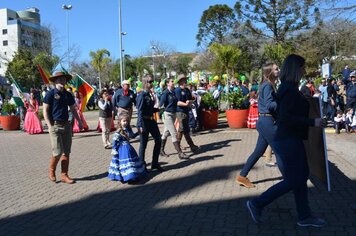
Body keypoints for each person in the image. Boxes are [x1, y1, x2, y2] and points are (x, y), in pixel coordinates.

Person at [246, 54, 327, 227]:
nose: (305, 70)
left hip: (289, 137)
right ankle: (258, 203)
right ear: (296, 69)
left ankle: (304, 216)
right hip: (288, 137)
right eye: (303, 67)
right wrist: (313, 121)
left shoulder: (288, 88)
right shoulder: (289, 89)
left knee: (300, 175)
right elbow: (286, 117)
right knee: (295, 178)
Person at [236, 63, 279, 188]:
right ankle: (291, 180)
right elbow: (270, 104)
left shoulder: (267, 85)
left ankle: (242, 176)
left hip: (264, 121)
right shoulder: (267, 86)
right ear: (269, 72)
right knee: (280, 149)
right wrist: (281, 103)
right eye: (276, 69)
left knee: (258, 151)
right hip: (267, 121)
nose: (278, 70)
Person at [43, 71, 83, 184]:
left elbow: (73, 109)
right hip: (55, 125)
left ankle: (64, 175)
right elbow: (45, 110)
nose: (62, 81)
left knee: (66, 152)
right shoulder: (50, 94)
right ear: (55, 81)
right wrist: (50, 126)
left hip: (67, 125)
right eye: (59, 79)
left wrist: (79, 121)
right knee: (57, 152)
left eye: (64, 79)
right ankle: (51, 171)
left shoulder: (67, 94)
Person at [136, 75, 164, 171]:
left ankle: (155, 163)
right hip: (144, 121)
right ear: (145, 83)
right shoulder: (141, 95)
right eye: (149, 82)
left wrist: (158, 109)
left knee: (158, 140)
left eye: (152, 82)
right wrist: (139, 125)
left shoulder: (149, 94)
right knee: (143, 144)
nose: (151, 84)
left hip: (151, 120)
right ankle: (141, 165)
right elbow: (139, 110)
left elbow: (150, 108)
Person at [107, 114, 146, 182]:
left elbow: (132, 136)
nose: (125, 123)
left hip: (128, 148)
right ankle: (127, 176)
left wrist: (138, 132)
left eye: (126, 121)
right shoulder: (118, 131)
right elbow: (115, 141)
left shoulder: (127, 129)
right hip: (122, 150)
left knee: (132, 162)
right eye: (124, 121)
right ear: (120, 122)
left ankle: (132, 175)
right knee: (125, 162)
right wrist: (114, 149)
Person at [159, 78, 188, 159]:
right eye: (172, 81)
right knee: (174, 133)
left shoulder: (173, 92)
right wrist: (161, 115)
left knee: (165, 133)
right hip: (167, 115)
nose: (173, 82)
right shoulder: (165, 93)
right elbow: (161, 105)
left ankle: (161, 150)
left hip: (173, 114)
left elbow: (177, 102)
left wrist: (186, 103)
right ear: (168, 83)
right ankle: (180, 153)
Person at [175, 74, 199, 153]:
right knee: (182, 129)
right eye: (184, 80)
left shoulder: (187, 90)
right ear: (180, 82)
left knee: (185, 129)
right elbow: (177, 102)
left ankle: (191, 146)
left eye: (185, 79)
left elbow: (192, 99)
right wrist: (186, 104)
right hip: (180, 111)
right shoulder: (177, 90)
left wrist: (192, 99)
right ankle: (178, 146)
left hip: (186, 111)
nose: (186, 81)